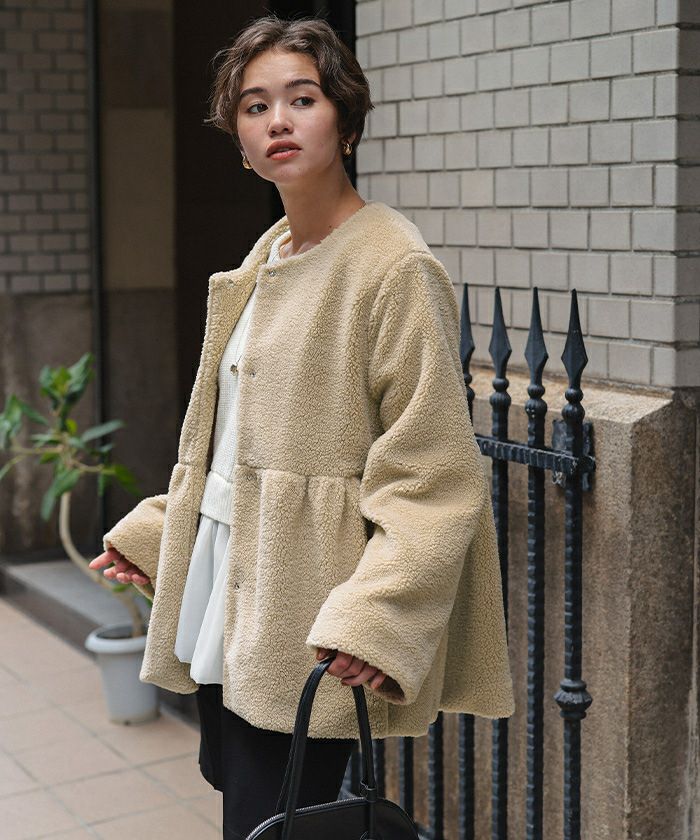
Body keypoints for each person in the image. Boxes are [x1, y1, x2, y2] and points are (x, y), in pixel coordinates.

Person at [90, 13, 514, 840]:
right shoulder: (270, 254)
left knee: (270, 821)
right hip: (231, 598)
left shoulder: (393, 265)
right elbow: (239, 449)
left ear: (345, 121)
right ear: (240, 142)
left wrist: (379, 614)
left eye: (302, 98)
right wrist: (165, 535)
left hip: (307, 616)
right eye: (254, 107)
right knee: (244, 801)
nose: (277, 121)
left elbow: (434, 474)